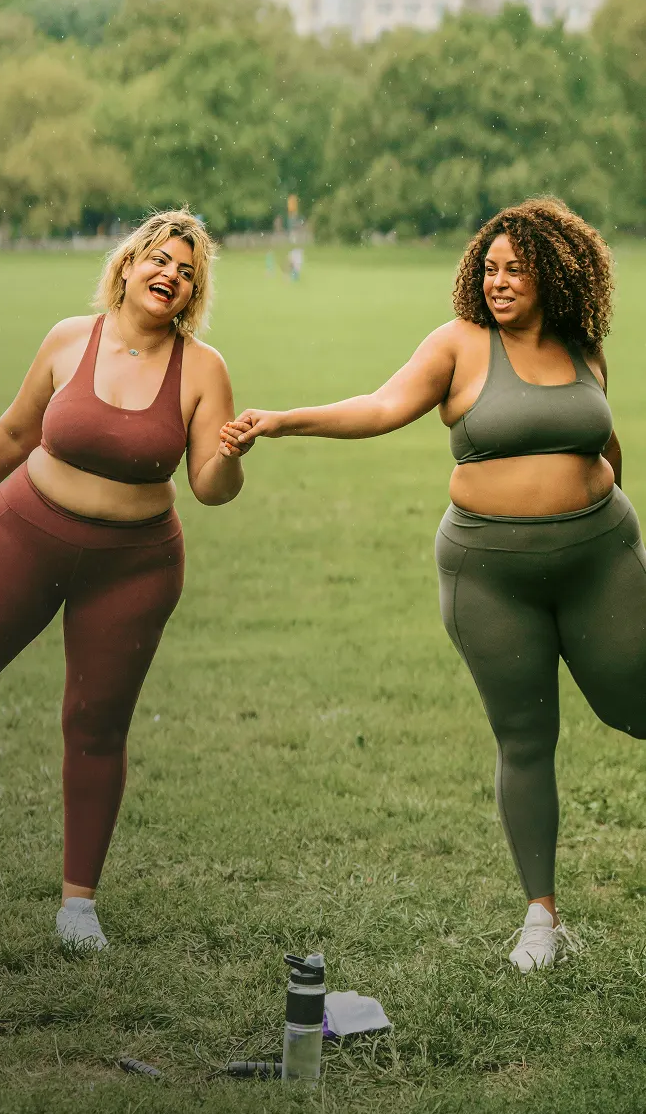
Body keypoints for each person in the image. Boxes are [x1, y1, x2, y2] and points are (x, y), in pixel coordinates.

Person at [220, 196, 646, 974]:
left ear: (554, 272)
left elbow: (602, 432)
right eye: (490, 267)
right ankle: (540, 919)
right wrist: (283, 421)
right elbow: (382, 407)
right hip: (491, 576)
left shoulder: (585, 344)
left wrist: (603, 493)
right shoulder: (459, 344)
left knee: (637, 702)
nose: (500, 281)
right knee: (526, 737)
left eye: (517, 269)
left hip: (599, 558)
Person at [0, 207, 247, 951]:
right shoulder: (68, 339)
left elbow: (210, 487)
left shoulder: (203, 368)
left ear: (193, 294)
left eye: (187, 272)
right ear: (125, 267)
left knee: (96, 725)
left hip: (136, 565)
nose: (171, 276)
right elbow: (18, 431)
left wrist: (231, 454)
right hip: (23, 533)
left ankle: (77, 906)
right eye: (160, 260)